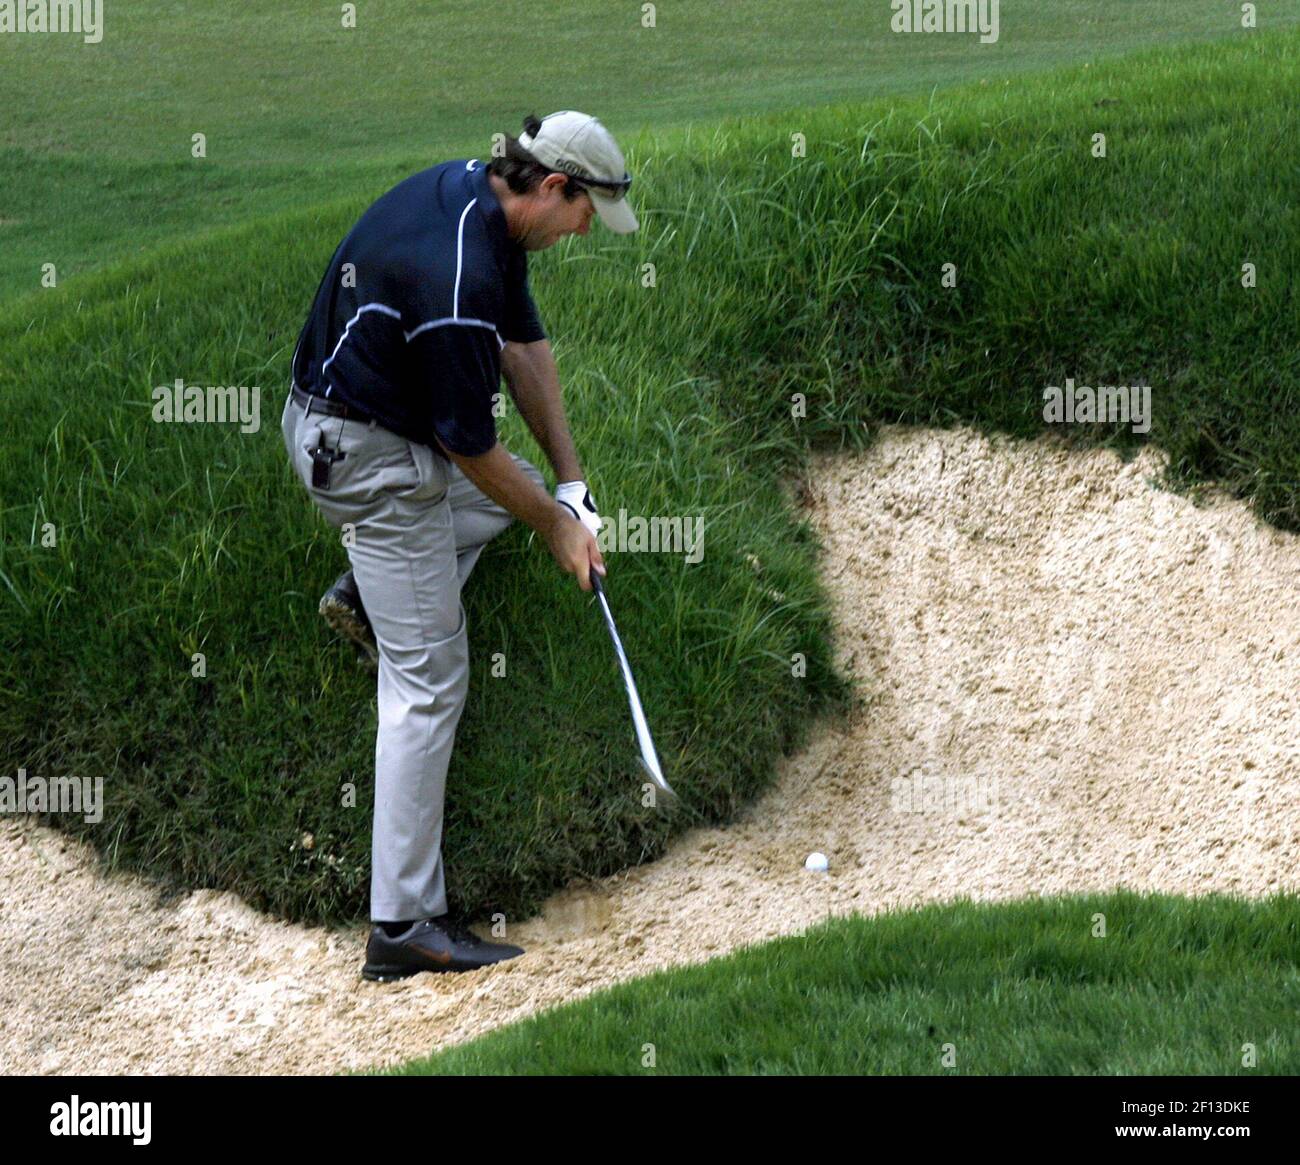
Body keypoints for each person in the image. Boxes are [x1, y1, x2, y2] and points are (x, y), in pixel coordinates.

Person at [280, 111, 638, 981]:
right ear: (554, 188)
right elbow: (465, 446)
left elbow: (523, 347)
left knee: (503, 501)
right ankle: (402, 925)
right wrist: (559, 530)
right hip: (360, 454)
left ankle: (373, 593)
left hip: (361, 426)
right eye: (588, 211)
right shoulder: (459, 273)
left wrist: (568, 486)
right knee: (430, 679)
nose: (589, 229)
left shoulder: (480, 202)